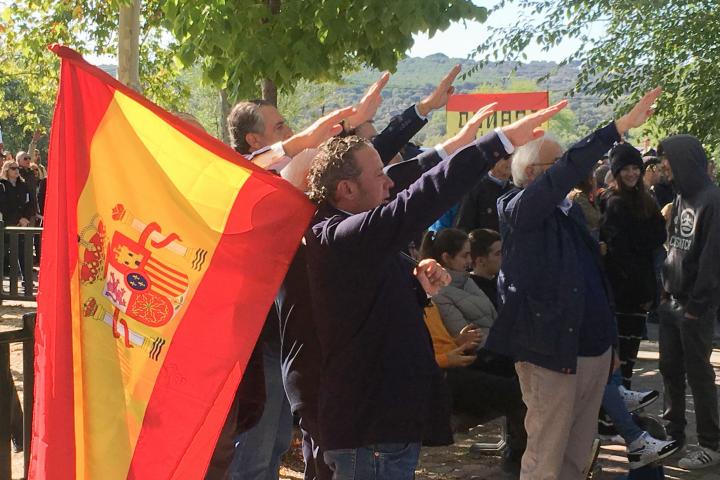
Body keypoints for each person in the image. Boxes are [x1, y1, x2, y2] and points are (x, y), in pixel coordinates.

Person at [304, 98, 565, 479]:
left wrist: (416, 280)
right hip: (371, 430)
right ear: (346, 188)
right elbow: (418, 200)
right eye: (378, 175)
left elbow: (370, 297)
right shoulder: (340, 235)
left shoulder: (353, 232)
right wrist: (497, 143)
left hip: (386, 424)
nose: (389, 182)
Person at [485, 87, 662, 480]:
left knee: (577, 455)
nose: (568, 169)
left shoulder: (569, 213)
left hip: (591, 352)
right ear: (534, 173)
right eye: (557, 163)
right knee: (546, 458)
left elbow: (593, 280)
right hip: (550, 354)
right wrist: (617, 128)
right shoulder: (518, 209)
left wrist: (610, 344)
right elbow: (564, 173)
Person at [658, 134, 720, 469]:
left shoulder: (713, 200)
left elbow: (712, 260)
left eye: (667, 158)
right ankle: (673, 435)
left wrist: (697, 306)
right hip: (671, 301)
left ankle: (711, 445)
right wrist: (665, 290)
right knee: (669, 370)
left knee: (698, 375)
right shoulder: (681, 195)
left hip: (695, 306)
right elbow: (674, 246)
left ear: (684, 159)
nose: (663, 165)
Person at [422, 300, 527, 471]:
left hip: (453, 362)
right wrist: (447, 359)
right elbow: (409, 360)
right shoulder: (402, 303)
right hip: (438, 377)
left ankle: (518, 451)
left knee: (514, 366)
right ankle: (519, 459)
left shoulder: (426, 299)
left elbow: (438, 343)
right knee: (517, 393)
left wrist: (459, 342)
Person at [601, 143, 666, 389]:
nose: (631, 174)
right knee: (619, 354)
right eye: (625, 169)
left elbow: (658, 235)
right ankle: (615, 405)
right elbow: (620, 251)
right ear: (616, 172)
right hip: (621, 290)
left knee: (630, 352)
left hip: (641, 288)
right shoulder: (613, 202)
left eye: (635, 168)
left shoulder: (646, 200)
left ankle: (623, 400)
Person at [420, 228, 496, 339]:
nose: (470, 260)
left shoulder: (467, 280)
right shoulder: (439, 294)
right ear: (446, 258)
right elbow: (465, 337)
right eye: (465, 256)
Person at [454, 155, 512, 232]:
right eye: (506, 157)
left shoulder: (518, 189)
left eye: (514, 157)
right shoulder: (475, 188)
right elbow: (463, 224)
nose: (510, 161)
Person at [468, 228, 502, 309]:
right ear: (480, 261)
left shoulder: (502, 281)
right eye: (498, 254)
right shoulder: (472, 291)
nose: (504, 256)